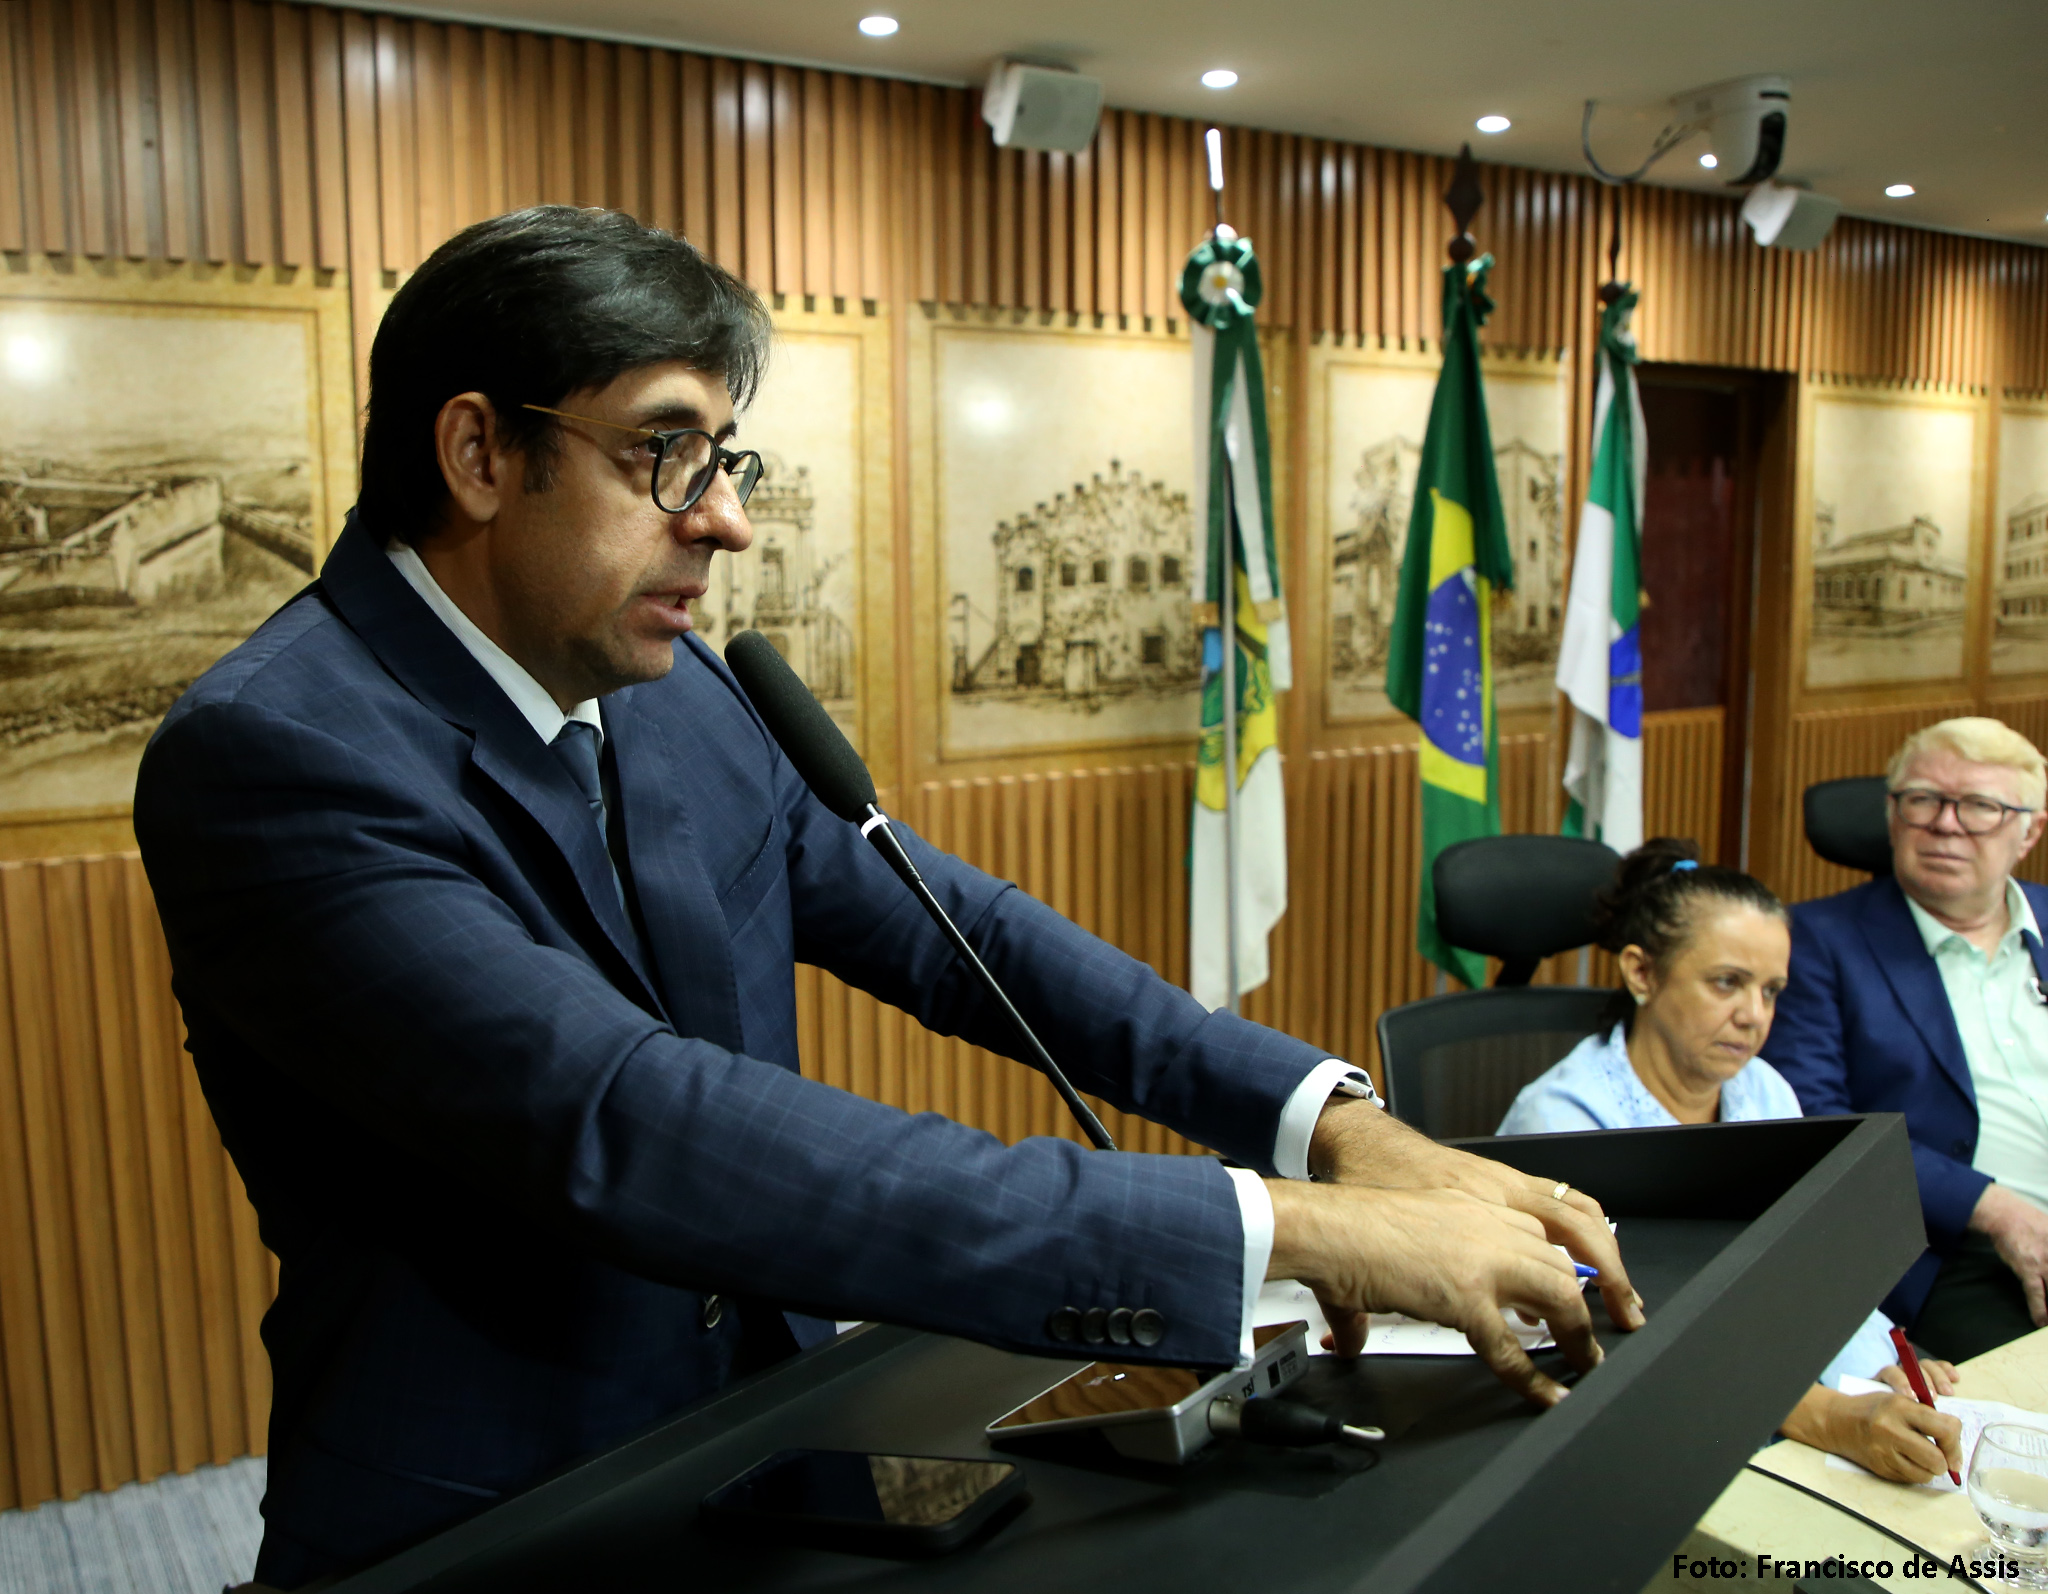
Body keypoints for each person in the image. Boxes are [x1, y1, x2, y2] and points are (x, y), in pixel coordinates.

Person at [133, 207, 1638, 1588]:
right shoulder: (275, 757)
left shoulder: (678, 688)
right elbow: (634, 1120)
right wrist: (1280, 1231)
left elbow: (964, 936)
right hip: (489, 1520)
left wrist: (1330, 1122)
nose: (723, 520)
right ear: (477, 453)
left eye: (726, 459)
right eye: (664, 453)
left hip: (778, 1442)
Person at [1499, 840, 1965, 1486]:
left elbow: (1809, 1257)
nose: (1754, 1016)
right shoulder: (1559, 1120)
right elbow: (1616, 1335)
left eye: (1771, 991)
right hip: (1631, 1422)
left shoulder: (1765, 1090)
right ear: (1642, 973)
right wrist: (1827, 1414)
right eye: (1727, 983)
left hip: (1765, 1376)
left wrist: (1873, 1364)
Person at [1773, 718, 2048, 1363]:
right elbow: (1816, 1123)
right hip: (1954, 1248)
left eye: (1979, 806)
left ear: (2029, 831)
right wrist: (1997, 1210)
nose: (1946, 825)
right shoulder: (1816, 942)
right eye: (1923, 799)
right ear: (1893, 815)